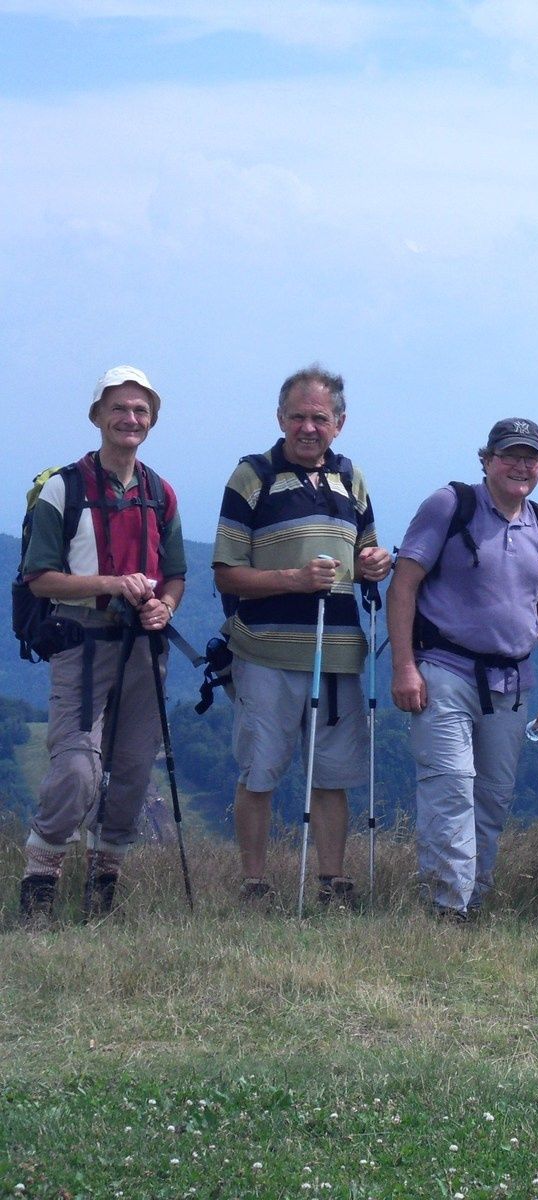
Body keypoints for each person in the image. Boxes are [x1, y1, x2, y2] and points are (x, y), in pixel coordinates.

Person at [213, 365, 392, 907]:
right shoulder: (252, 476)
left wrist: (374, 563)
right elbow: (226, 573)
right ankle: (255, 884)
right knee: (260, 771)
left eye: (319, 418)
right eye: (297, 417)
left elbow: (364, 554)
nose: (308, 428)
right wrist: (294, 579)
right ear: (279, 418)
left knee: (332, 776)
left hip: (337, 655)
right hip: (265, 653)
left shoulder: (351, 479)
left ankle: (331, 883)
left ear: (339, 423)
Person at [17, 367, 186, 920]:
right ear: (96, 416)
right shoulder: (64, 489)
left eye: (140, 410)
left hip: (144, 648)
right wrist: (113, 584)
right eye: (119, 408)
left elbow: (176, 575)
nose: (130, 418)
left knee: (133, 768)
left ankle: (102, 892)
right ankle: (40, 884)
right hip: (82, 641)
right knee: (76, 767)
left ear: (152, 421)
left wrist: (166, 606)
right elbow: (39, 578)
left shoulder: (160, 493)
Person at [388, 419, 538, 922]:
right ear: (486, 460)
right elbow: (403, 583)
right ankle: (448, 908)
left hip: (511, 682)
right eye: (509, 455)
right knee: (450, 788)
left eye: (531, 458)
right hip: (444, 670)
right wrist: (404, 667)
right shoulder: (450, 505)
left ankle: (473, 900)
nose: (520, 466)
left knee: (492, 798)